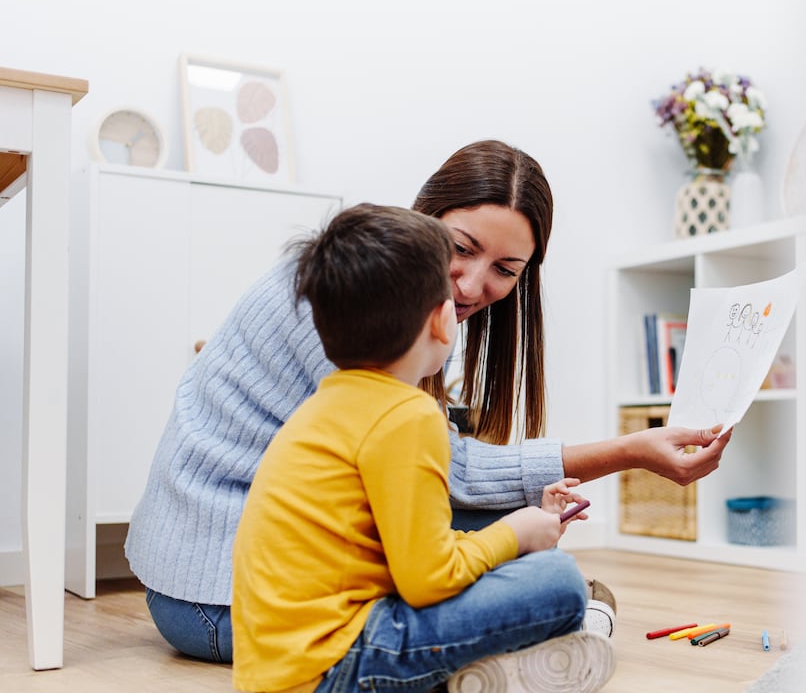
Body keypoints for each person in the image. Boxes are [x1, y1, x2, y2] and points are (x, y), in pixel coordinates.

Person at [124, 139, 733, 662]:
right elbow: (452, 476)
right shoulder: (346, 301)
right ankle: (545, 621)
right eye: (462, 248)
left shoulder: (390, 300)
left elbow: (433, 477)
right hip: (216, 596)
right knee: (549, 576)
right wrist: (627, 452)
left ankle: (534, 611)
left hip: (272, 572)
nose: (472, 286)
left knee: (514, 534)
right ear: (427, 214)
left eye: (505, 269)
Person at [232, 202, 613, 693]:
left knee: (513, 561)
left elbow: (411, 550)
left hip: (277, 671)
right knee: (558, 582)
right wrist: (514, 534)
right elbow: (427, 580)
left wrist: (512, 536)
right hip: (336, 669)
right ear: (442, 319)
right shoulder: (407, 416)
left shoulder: (323, 408)